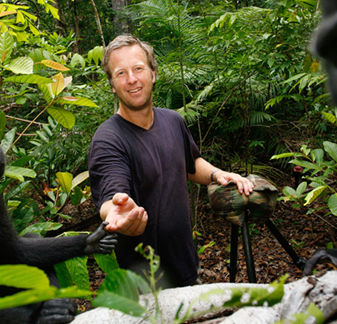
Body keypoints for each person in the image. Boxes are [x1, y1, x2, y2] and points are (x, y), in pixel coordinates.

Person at [88, 35, 254, 287]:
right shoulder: (108, 139)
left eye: (138, 69)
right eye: (121, 73)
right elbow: (112, 195)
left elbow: (190, 163)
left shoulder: (173, 120)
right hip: (144, 281)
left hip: (184, 263)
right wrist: (116, 212)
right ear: (112, 84)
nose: (131, 79)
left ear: (153, 74)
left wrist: (218, 174)